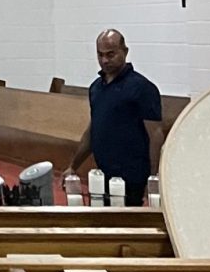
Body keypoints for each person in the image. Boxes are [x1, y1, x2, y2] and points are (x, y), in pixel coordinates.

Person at [70, 28, 164, 203]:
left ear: (125, 51)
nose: (104, 60)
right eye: (100, 55)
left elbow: (156, 136)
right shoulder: (96, 88)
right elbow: (93, 130)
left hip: (133, 178)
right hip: (102, 176)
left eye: (110, 54)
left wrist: (153, 179)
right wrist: (73, 166)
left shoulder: (142, 88)